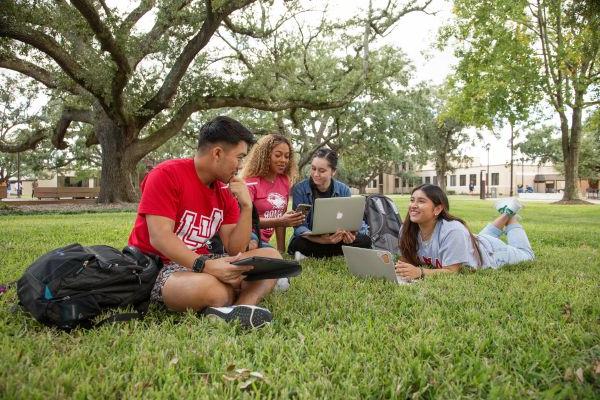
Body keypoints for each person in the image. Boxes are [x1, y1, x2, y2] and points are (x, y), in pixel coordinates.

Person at [128, 116, 280, 329]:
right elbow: (160, 237)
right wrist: (207, 267)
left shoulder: (225, 189)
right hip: (162, 265)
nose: (240, 166)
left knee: (272, 257)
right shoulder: (165, 174)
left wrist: (246, 207)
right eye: (239, 157)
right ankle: (237, 294)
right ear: (217, 153)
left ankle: (241, 307)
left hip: (203, 259)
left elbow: (234, 248)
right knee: (214, 290)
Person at [395, 184, 535, 280]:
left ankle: (510, 215)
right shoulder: (406, 229)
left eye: (421, 201)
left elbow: (452, 271)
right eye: (412, 200)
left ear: (437, 209)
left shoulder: (452, 230)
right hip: (473, 242)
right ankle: (506, 212)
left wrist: (419, 272)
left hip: (492, 252)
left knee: (527, 255)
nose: (413, 205)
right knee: (480, 238)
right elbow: (406, 259)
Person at [287, 148, 371, 259]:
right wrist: (321, 240)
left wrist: (349, 235)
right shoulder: (300, 189)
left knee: (365, 241)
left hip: (335, 238)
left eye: (322, 171)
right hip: (310, 239)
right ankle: (338, 252)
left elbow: (347, 222)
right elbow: (299, 227)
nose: (315, 174)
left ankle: (314, 254)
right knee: (297, 243)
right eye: (313, 169)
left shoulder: (343, 190)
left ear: (333, 171)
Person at [241, 133, 304, 253]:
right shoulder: (250, 182)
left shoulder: (284, 181)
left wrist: (281, 251)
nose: (283, 160)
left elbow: (281, 219)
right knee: (258, 247)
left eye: (287, 156)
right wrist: (280, 220)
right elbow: (245, 221)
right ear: (265, 156)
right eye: (278, 155)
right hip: (247, 236)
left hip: (262, 241)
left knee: (272, 254)